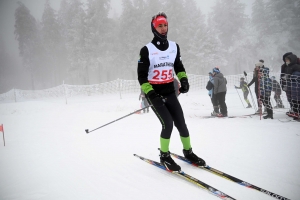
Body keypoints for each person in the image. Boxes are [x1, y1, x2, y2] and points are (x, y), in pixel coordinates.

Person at [137, 12, 205, 171]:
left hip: (169, 92)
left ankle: (188, 152)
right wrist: (151, 93)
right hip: (154, 93)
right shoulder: (147, 50)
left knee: (181, 122)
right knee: (167, 123)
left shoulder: (174, 46)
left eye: (165, 25)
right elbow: (141, 76)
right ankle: (164, 155)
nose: (163, 28)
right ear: (154, 28)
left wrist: (184, 80)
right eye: (159, 25)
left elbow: (178, 67)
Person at [284, 54, 300, 119]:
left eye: (287, 60)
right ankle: (295, 113)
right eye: (286, 60)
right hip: (290, 86)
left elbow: (297, 75)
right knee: (292, 100)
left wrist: (290, 76)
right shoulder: (288, 67)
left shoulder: (296, 66)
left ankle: (297, 114)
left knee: (297, 101)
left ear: (291, 60)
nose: (286, 61)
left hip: (296, 87)